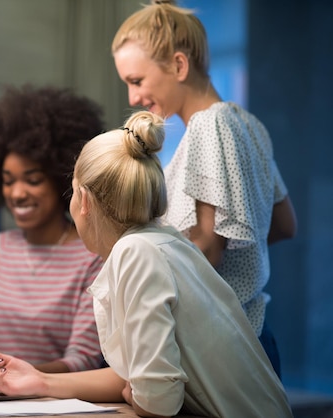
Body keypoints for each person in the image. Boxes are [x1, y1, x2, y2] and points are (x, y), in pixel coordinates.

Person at [0, 110, 292, 418]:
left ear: (84, 201)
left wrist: (138, 392)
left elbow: (157, 401)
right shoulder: (161, 241)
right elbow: (130, 377)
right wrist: (38, 380)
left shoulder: (135, 253)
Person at [110, 0, 297, 377]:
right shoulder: (249, 125)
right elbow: (283, 225)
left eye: (137, 81)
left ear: (179, 65)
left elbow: (208, 248)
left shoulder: (207, 127)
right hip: (256, 335)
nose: (132, 99)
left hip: (227, 346)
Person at [0, 84, 106, 395]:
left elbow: (83, 360)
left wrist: (2, 372)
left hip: (59, 405)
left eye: (32, 180)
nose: (17, 193)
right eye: (7, 181)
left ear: (61, 180)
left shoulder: (92, 254)